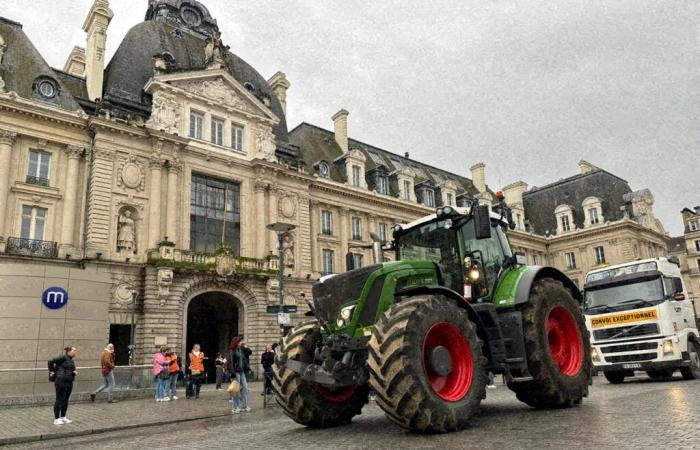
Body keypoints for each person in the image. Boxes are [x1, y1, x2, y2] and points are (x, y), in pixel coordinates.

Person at [48, 346, 77, 425]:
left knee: (66, 399)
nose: (75, 352)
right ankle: (56, 419)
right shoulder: (63, 358)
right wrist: (52, 371)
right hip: (61, 381)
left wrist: (74, 372)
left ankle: (63, 417)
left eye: (75, 350)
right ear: (69, 351)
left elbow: (69, 369)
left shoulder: (71, 360)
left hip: (69, 382)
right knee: (59, 400)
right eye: (74, 350)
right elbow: (50, 361)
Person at [229, 336, 252, 413]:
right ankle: (234, 408)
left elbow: (249, 352)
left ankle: (243, 406)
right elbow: (231, 363)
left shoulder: (241, 349)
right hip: (236, 372)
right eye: (239, 342)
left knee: (245, 389)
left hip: (242, 372)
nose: (240, 343)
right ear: (236, 343)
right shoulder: (232, 351)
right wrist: (233, 373)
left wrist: (245, 345)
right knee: (236, 390)